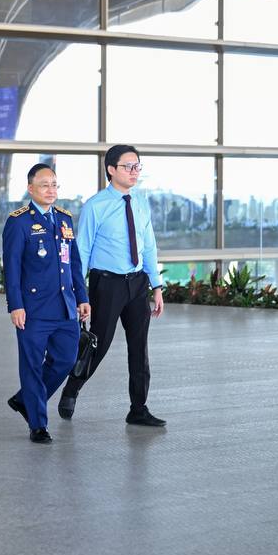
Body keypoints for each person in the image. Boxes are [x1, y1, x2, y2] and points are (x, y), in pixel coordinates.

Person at [61, 145, 166, 427]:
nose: (134, 172)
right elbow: (82, 250)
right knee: (98, 344)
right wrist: (78, 294)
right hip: (107, 284)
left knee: (139, 348)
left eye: (137, 166)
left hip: (137, 284)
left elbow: (149, 246)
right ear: (111, 169)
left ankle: (138, 408)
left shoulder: (141, 203)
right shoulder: (95, 205)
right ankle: (72, 389)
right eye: (128, 166)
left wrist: (156, 286)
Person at [3, 163, 90, 444]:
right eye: (44, 185)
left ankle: (25, 400)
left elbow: (73, 262)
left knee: (66, 360)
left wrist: (82, 297)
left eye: (54, 184)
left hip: (65, 305)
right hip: (33, 309)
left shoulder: (64, 218)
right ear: (31, 189)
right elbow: (12, 268)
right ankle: (38, 424)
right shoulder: (18, 222)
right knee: (31, 365)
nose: (51, 190)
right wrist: (15, 305)